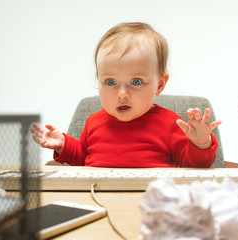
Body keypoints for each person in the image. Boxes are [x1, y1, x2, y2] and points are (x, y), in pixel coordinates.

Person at [30, 22, 222, 168]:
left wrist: (200, 142)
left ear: (160, 84)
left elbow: (195, 166)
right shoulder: (93, 122)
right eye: (111, 82)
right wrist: (63, 145)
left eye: (136, 82)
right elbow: (82, 158)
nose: (122, 94)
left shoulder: (171, 124)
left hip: (151, 203)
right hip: (98, 199)